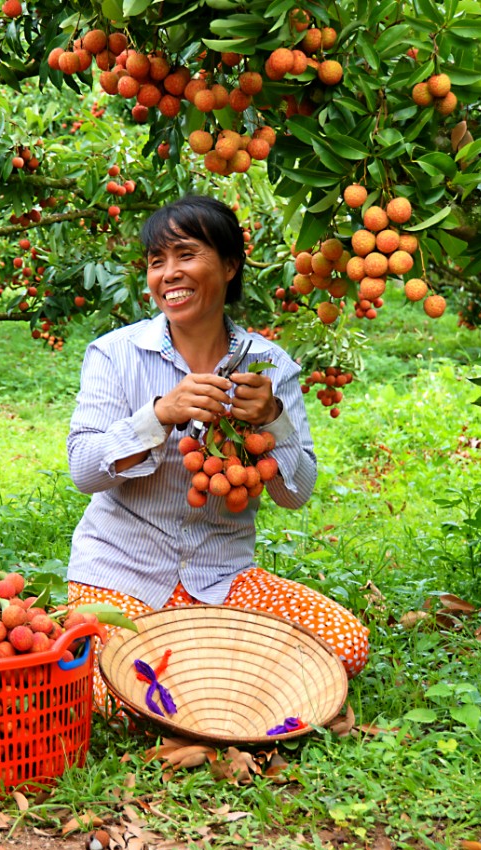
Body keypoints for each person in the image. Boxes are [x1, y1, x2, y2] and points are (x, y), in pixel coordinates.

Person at [66, 195, 369, 703]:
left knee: (344, 644)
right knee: (108, 690)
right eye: (156, 262)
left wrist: (275, 420)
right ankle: (222, 683)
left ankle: (203, 677)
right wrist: (159, 416)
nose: (168, 274)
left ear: (229, 265)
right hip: (122, 573)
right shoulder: (116, 354)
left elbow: (297, 494)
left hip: (222, 579)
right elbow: (83, 470)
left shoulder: (269, 366)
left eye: (185, 255)